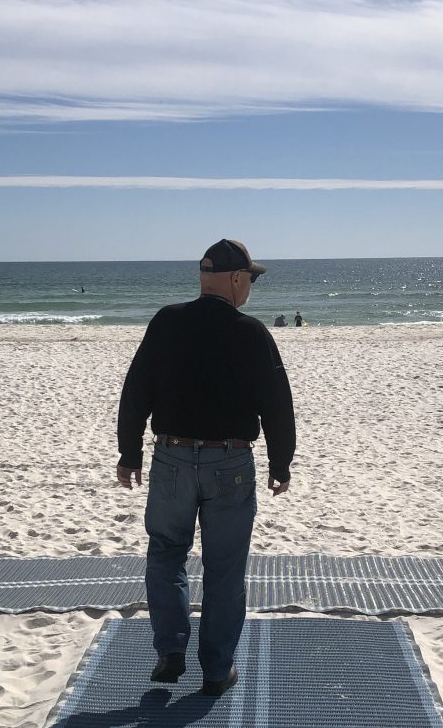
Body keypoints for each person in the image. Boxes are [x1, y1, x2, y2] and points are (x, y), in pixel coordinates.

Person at [117, 239, 296, 698]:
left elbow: (136, 389)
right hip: (231, 462)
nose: (252, 286)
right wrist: (281, 462)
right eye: (251, 279)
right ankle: (216, 672)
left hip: (172, 458)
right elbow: (277, 403)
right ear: (236, 279)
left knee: (165, 554)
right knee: (224, 570)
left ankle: (171, 650)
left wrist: (129, 453)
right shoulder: (252, 333)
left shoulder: (166, 321)